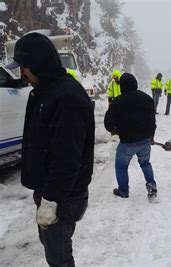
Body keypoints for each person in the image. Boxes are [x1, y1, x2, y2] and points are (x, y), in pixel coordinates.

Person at [6, 32, 95, 266]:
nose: (22, 72)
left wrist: (51, 201)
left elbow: (67, 159)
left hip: (63, 197)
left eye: (24, 66)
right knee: (53, 248)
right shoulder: (48, 91)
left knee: (60, 259)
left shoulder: (66, 98)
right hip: (54, 192)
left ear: (37, 63)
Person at [104, 72, 158, 199]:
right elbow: (152, 120)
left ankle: (123, 191)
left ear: (122, 86)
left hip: (127, 142)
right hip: (145, 140)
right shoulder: (147, 98)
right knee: (145, 163)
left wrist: (114, 130)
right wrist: (151, 135)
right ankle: (152, 186)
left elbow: (108, 123)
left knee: (121, 166)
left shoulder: (117, 102)